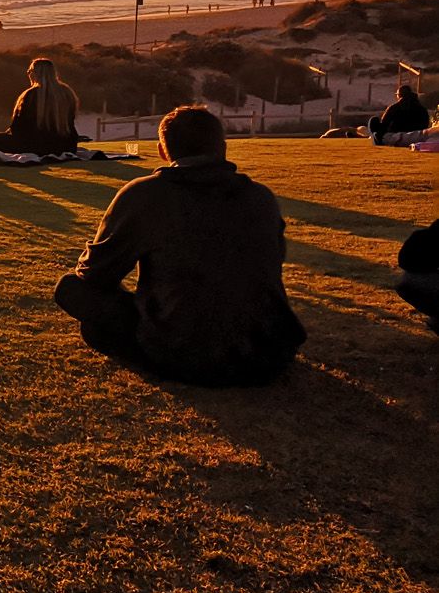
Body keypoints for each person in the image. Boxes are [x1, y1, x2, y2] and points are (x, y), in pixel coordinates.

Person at [53, 106, 305, 386]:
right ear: (222, 148)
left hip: (186, 357)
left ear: (162, 151)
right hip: (271, 354)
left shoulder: (146, 194)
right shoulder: (260, 197)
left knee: (72, 291)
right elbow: (271, 262)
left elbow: (95, 274)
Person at [0, 58, 80, 156]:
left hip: (34, 146)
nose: (28, 74)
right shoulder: (67, 92)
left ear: (35, 74)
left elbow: (17, 129)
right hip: (66, 145)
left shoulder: (30, 95)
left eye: (30, 71)